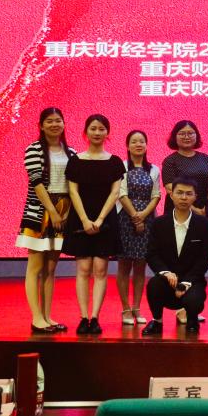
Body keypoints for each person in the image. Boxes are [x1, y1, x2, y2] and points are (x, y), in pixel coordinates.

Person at [62, 114, 125, 335]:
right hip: (80, 219)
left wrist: (99, 220)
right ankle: (83, 317)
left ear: (107, 133)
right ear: (86, 132)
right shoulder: (75, 160)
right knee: (83, 269)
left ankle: (95, 317)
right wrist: (84, 220)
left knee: (100, 269)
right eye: (93, 128)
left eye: (101, 129)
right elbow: (73, 191)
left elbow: (115, 193)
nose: (97, 132)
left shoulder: (115, 161)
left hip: (105, 221)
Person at [16, 107, 75, 333]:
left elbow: (73, 185)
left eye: (58, 120)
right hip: (40, 212)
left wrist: (66, 213)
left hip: (64, 212)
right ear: (41, 125)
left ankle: (47, 317)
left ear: (64, 124)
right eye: (49, 121)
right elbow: (37, 183)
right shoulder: (33, 150)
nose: (54, 124)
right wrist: (53, 210)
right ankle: (36, 318)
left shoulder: (71, 152)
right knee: (35, 267)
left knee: (51, 269)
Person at [140, 178, 208, 336]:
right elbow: (152, 254)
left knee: (193, 300)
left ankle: (192, 319)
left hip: (192, 280)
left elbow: (204, 259)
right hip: (167, 280)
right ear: (171, 195)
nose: (184, 197)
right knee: (154, 285)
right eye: (179, 193)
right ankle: (157, 321)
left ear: (195, 197)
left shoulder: (204, 224)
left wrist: (187, 282)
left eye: (189, 194)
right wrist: (166, 273)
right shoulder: (159, 223)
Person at [116, 130, 161, 327]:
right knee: (124, 265)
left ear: (146, 145)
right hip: (125, 219)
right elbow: (121, 193)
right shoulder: (122, 167)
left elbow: (156, 195)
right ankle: (125, 308)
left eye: (142, 141)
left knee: (141, 265)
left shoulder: (154, 169)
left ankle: (137, 307)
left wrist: (143, 216)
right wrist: (135, 216)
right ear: (127, 146)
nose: (138, 144)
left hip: (148, 219)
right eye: (134, 141)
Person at [161, 120, 208, 220]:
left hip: (203, 209)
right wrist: (194, 210)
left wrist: (206, 206)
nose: (186, 137)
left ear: (196, 136)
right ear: (175, 137)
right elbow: (170, 189)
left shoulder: (206, 158)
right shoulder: (170, 161)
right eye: (182, 134)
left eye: (190, 133)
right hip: (178, 210)